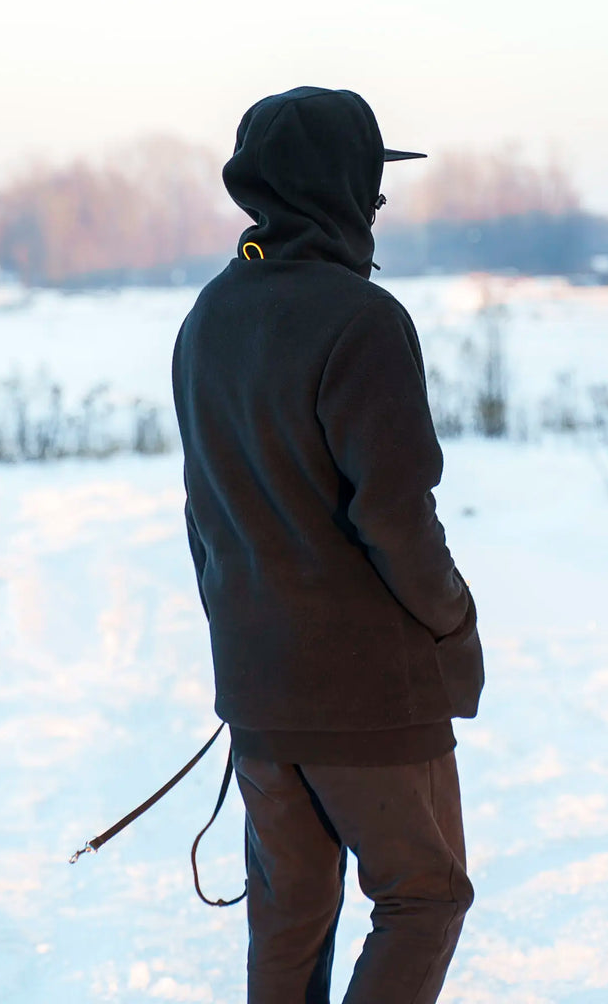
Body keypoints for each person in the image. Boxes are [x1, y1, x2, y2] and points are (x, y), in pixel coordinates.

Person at [171, 86, 484, 1004]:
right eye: (371, 187)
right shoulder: (362, 318)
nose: (378, 208)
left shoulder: (207, 318)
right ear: (340, 190)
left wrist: (247, 652)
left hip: (260, 694)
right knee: (424, 898)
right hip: (370, 697)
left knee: (291, 918)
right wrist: (454, 621)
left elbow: (203, 516)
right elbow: (397, 517)